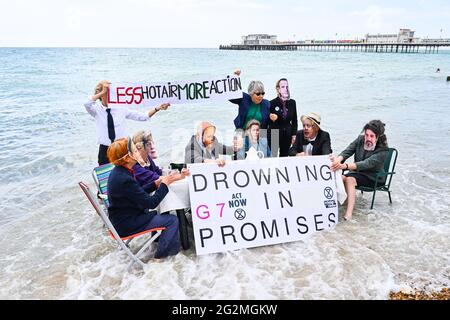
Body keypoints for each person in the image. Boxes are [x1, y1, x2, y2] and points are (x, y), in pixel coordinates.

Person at [106, 137, 180, 259]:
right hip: (126, 224)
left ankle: (157, 244)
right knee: (172, 220)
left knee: (158, 214)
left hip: (120, 219)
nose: (138, 152)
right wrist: (165, 184)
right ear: (127, 157)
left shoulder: (119, 172)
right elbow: (151, 202)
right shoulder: (124, 178)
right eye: (135, 151)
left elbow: (136, 193)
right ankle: (162, 258)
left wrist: (155, 184)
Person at [84, 80, 170, 166]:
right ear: (100, 95)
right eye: (107, 93)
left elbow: (143, 116)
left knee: (125, 173)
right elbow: (87, 103)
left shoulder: (121, 108)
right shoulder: (96, 110)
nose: (110, 95)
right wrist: (103, 91)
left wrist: (158, 108)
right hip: (105, 149)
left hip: (122, 147)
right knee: (105, 176)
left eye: (111, 93)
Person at [330, 120, 388, 221]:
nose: (368, 138)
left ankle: (349, 214)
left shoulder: (383, 150)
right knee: (340, 177)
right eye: (367, 135)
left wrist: (344, 166)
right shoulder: (360, 140)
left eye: (372, 136)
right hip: (358, 173)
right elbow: (348, 150)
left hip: (374, 177)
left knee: (350, 180)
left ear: (377, 137)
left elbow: (366, 164)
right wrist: (337, 161)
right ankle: (341, 204)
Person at [268, 78, 298, 157]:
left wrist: (294, 135)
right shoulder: (271, 103)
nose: (286, 89)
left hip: (288, 133)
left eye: (287, 87)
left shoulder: (292, 102)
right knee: (273, 156)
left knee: (284, 157)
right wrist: (272, 119)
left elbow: (294, 120)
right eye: (283, 87)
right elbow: (268, 122)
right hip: (274, 133)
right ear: (278, 89)